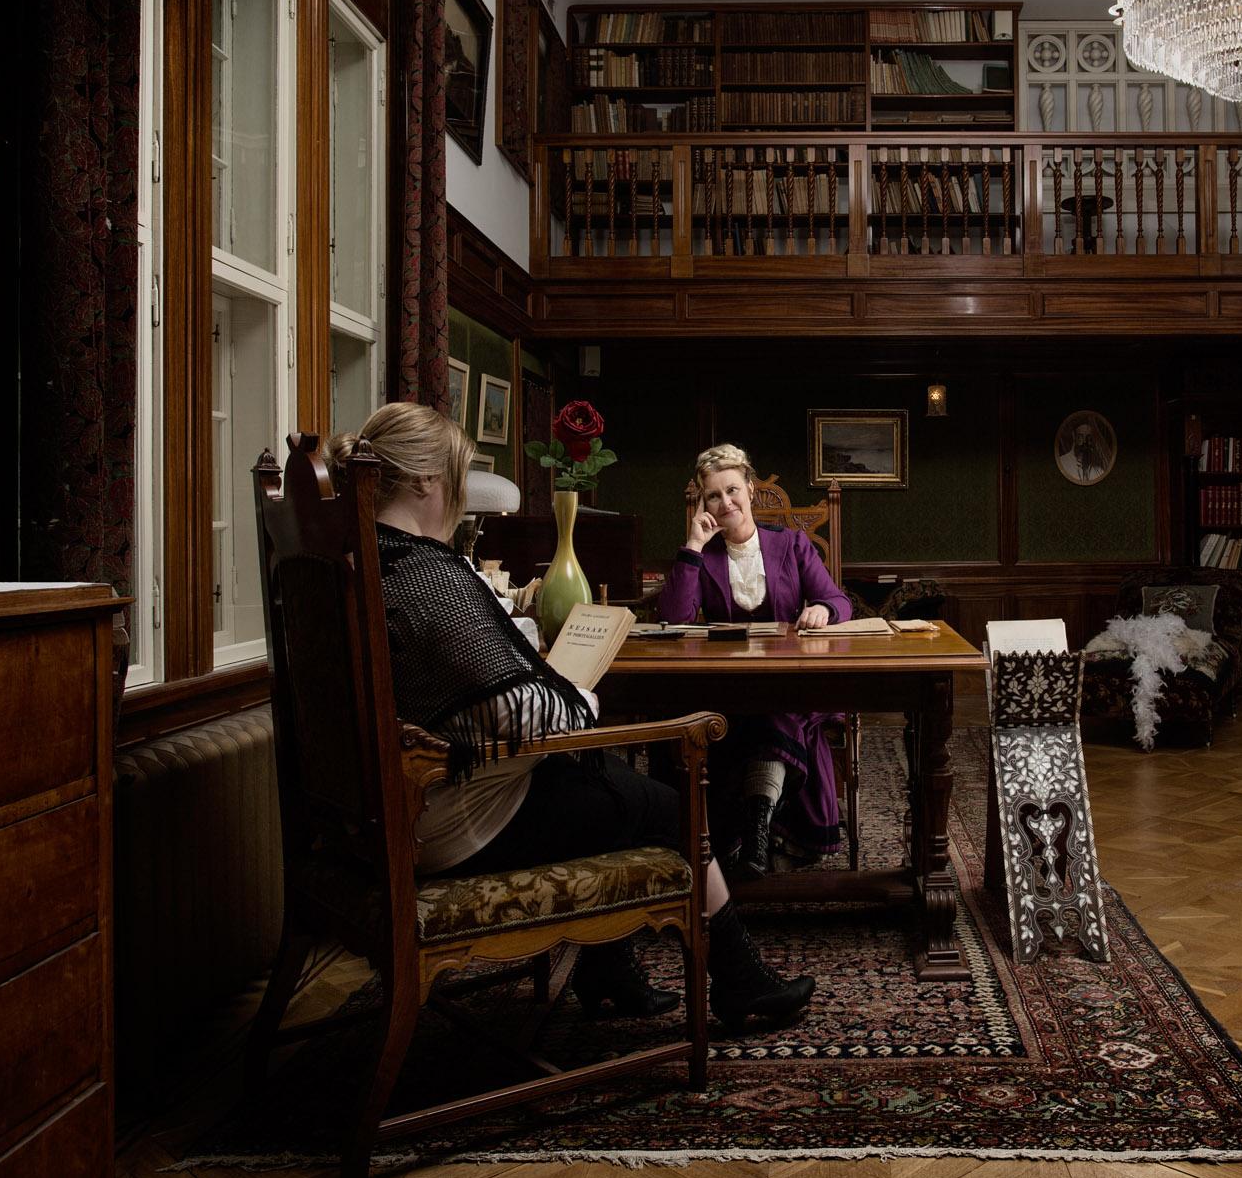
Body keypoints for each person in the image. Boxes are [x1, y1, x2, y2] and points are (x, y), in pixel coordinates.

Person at [323, 404, 813, 1031]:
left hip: (377, 818)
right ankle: (739, 981)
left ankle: (608, 971)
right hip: (451, 821)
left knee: (604, 780)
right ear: (424, 482)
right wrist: (581, 697)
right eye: (456, 476)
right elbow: (527, 712)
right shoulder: (425, 573)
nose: (459, 496)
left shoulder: (366, 559)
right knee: (669, 803)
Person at [657, 442, 852, 879]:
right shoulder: (703, 555)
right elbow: (674, 619)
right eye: (713, 496)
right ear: (703, 503)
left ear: (749, 488)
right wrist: (692, 546)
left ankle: (754, 837)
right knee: (753, 718)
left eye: (732, 490)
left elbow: (837, 599)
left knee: (776, 715)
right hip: (731, 689)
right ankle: (753, 838)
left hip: (790, 684)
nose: (725, 503)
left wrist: (824, 610)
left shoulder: (792, 544)